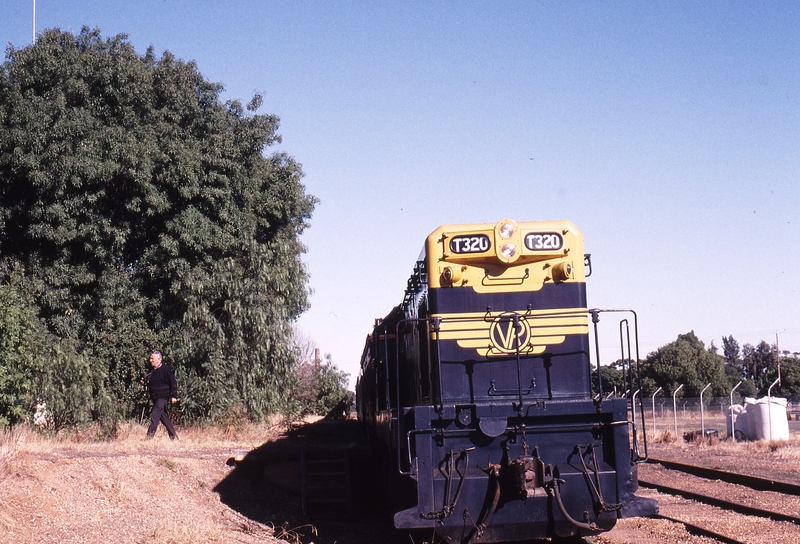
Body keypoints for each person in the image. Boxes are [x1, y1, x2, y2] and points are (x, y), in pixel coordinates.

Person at [142, 350, 179, 440]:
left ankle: (149, 437)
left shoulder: (165, 369)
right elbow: (150, 382)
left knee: (155, 414)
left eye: (152, 358)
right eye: (150, 358)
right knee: (163, 417)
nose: (150, 360)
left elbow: (173, 382)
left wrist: (174, 396)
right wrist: (144, 382)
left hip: (163, 397)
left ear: (159, 359)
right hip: (155, 397)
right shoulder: (151, 370)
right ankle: (174, 437)